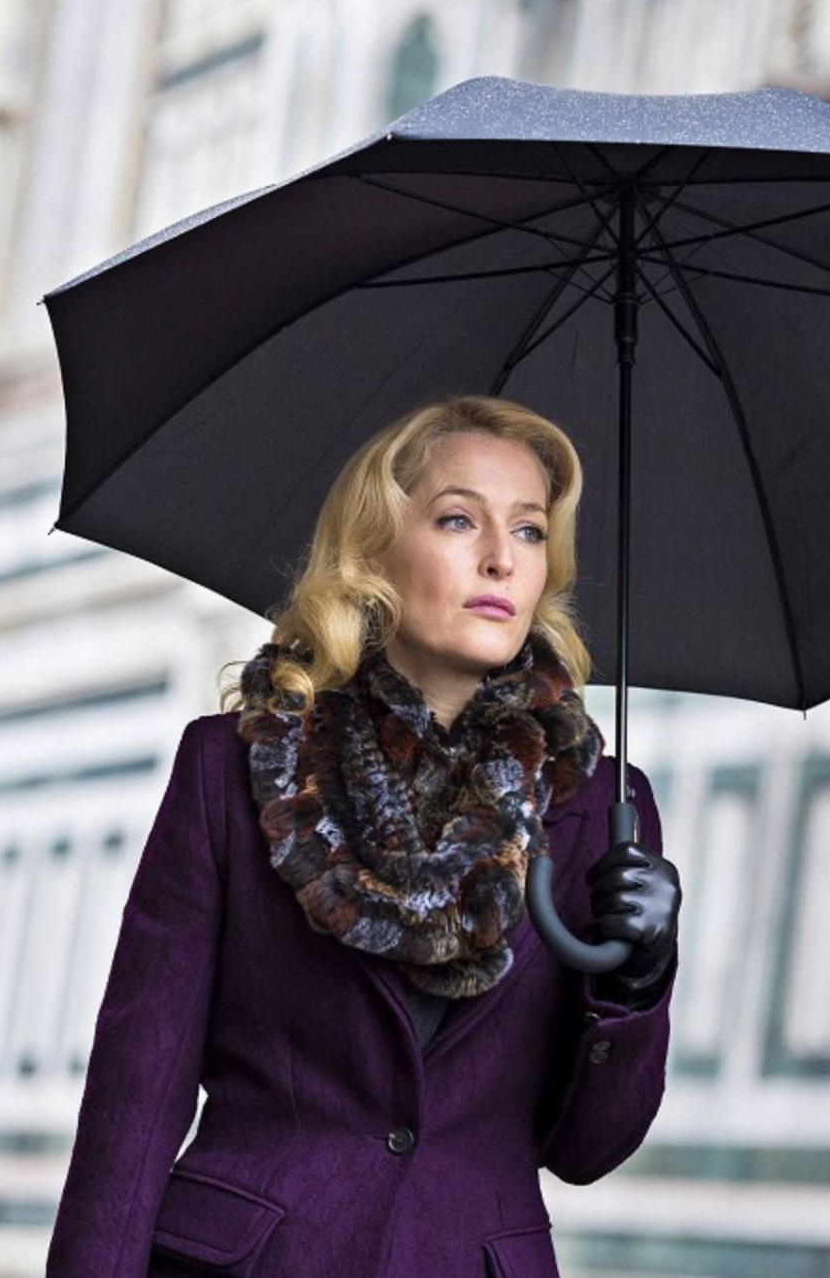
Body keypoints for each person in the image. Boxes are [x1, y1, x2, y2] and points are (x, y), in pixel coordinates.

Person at [44, 393, 682, 1278]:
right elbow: (137, 1093)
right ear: (374, 548)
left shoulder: (600, 808)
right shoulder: (233, 770)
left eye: (530, 531)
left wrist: (637, 980)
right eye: (458, 519)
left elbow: (586, 1149)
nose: (501, 559)